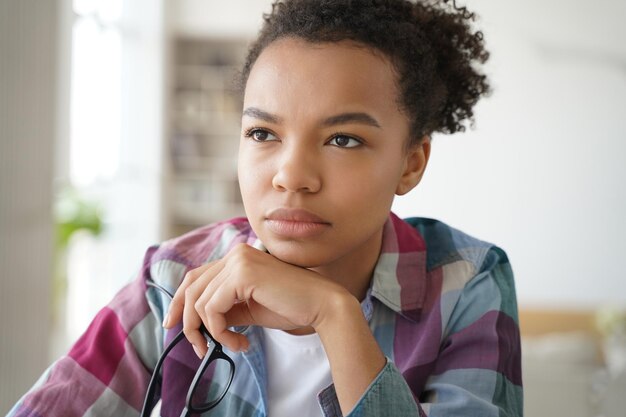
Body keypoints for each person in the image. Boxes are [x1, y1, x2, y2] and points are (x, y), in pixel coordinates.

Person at [9, 0, 522, 416]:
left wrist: (335, 315)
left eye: (342, 139)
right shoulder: (173, 277)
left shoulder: (465, 283)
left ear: (410, 164)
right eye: (262, 133)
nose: (290, 175)